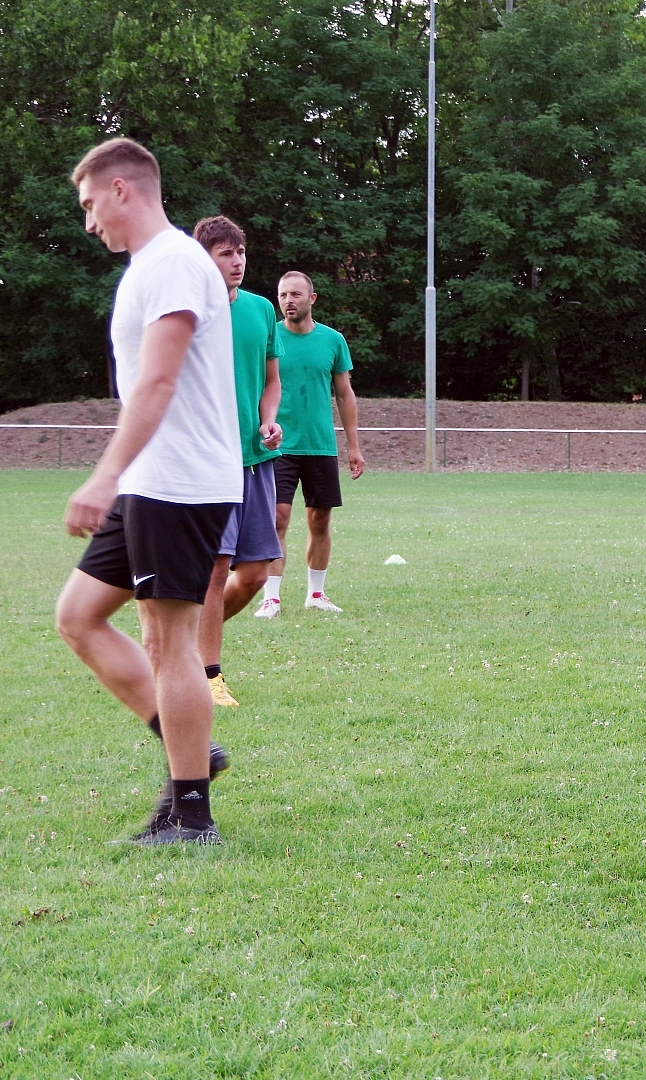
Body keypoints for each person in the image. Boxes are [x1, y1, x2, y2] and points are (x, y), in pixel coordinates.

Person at [53, 138, 239, 844]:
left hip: (178, 482)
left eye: (90, 204)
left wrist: (104, 475)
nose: (89, 220)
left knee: (168, 642)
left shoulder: (172, 263)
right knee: (79, 616)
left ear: (122, 188)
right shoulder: (149, 267)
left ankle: (192, 817)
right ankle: (189, 747)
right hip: (149, 481)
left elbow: (159, 381)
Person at [194, 215, 282, 706]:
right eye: (225, 253)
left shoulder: (261, 309)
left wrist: (268, 420)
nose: (237, 261)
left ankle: (183, 644)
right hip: (209, 459)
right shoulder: (189, 310)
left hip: (255, 460)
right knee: (216, 567)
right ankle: (209, 673)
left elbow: (271, 380)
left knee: (254, 575)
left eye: (241, 252)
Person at [254, 271, 364, 617]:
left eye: (296, 294)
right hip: (278, 446)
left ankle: (316, 594)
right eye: (283, 295)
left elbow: (344, 394)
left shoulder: (333, 340)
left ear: (311, 299)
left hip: (320, 445)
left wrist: (354, 446)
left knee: (319, 521)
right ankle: (271, 598)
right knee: (277, 518)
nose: (288, 301)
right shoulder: (268, 338)